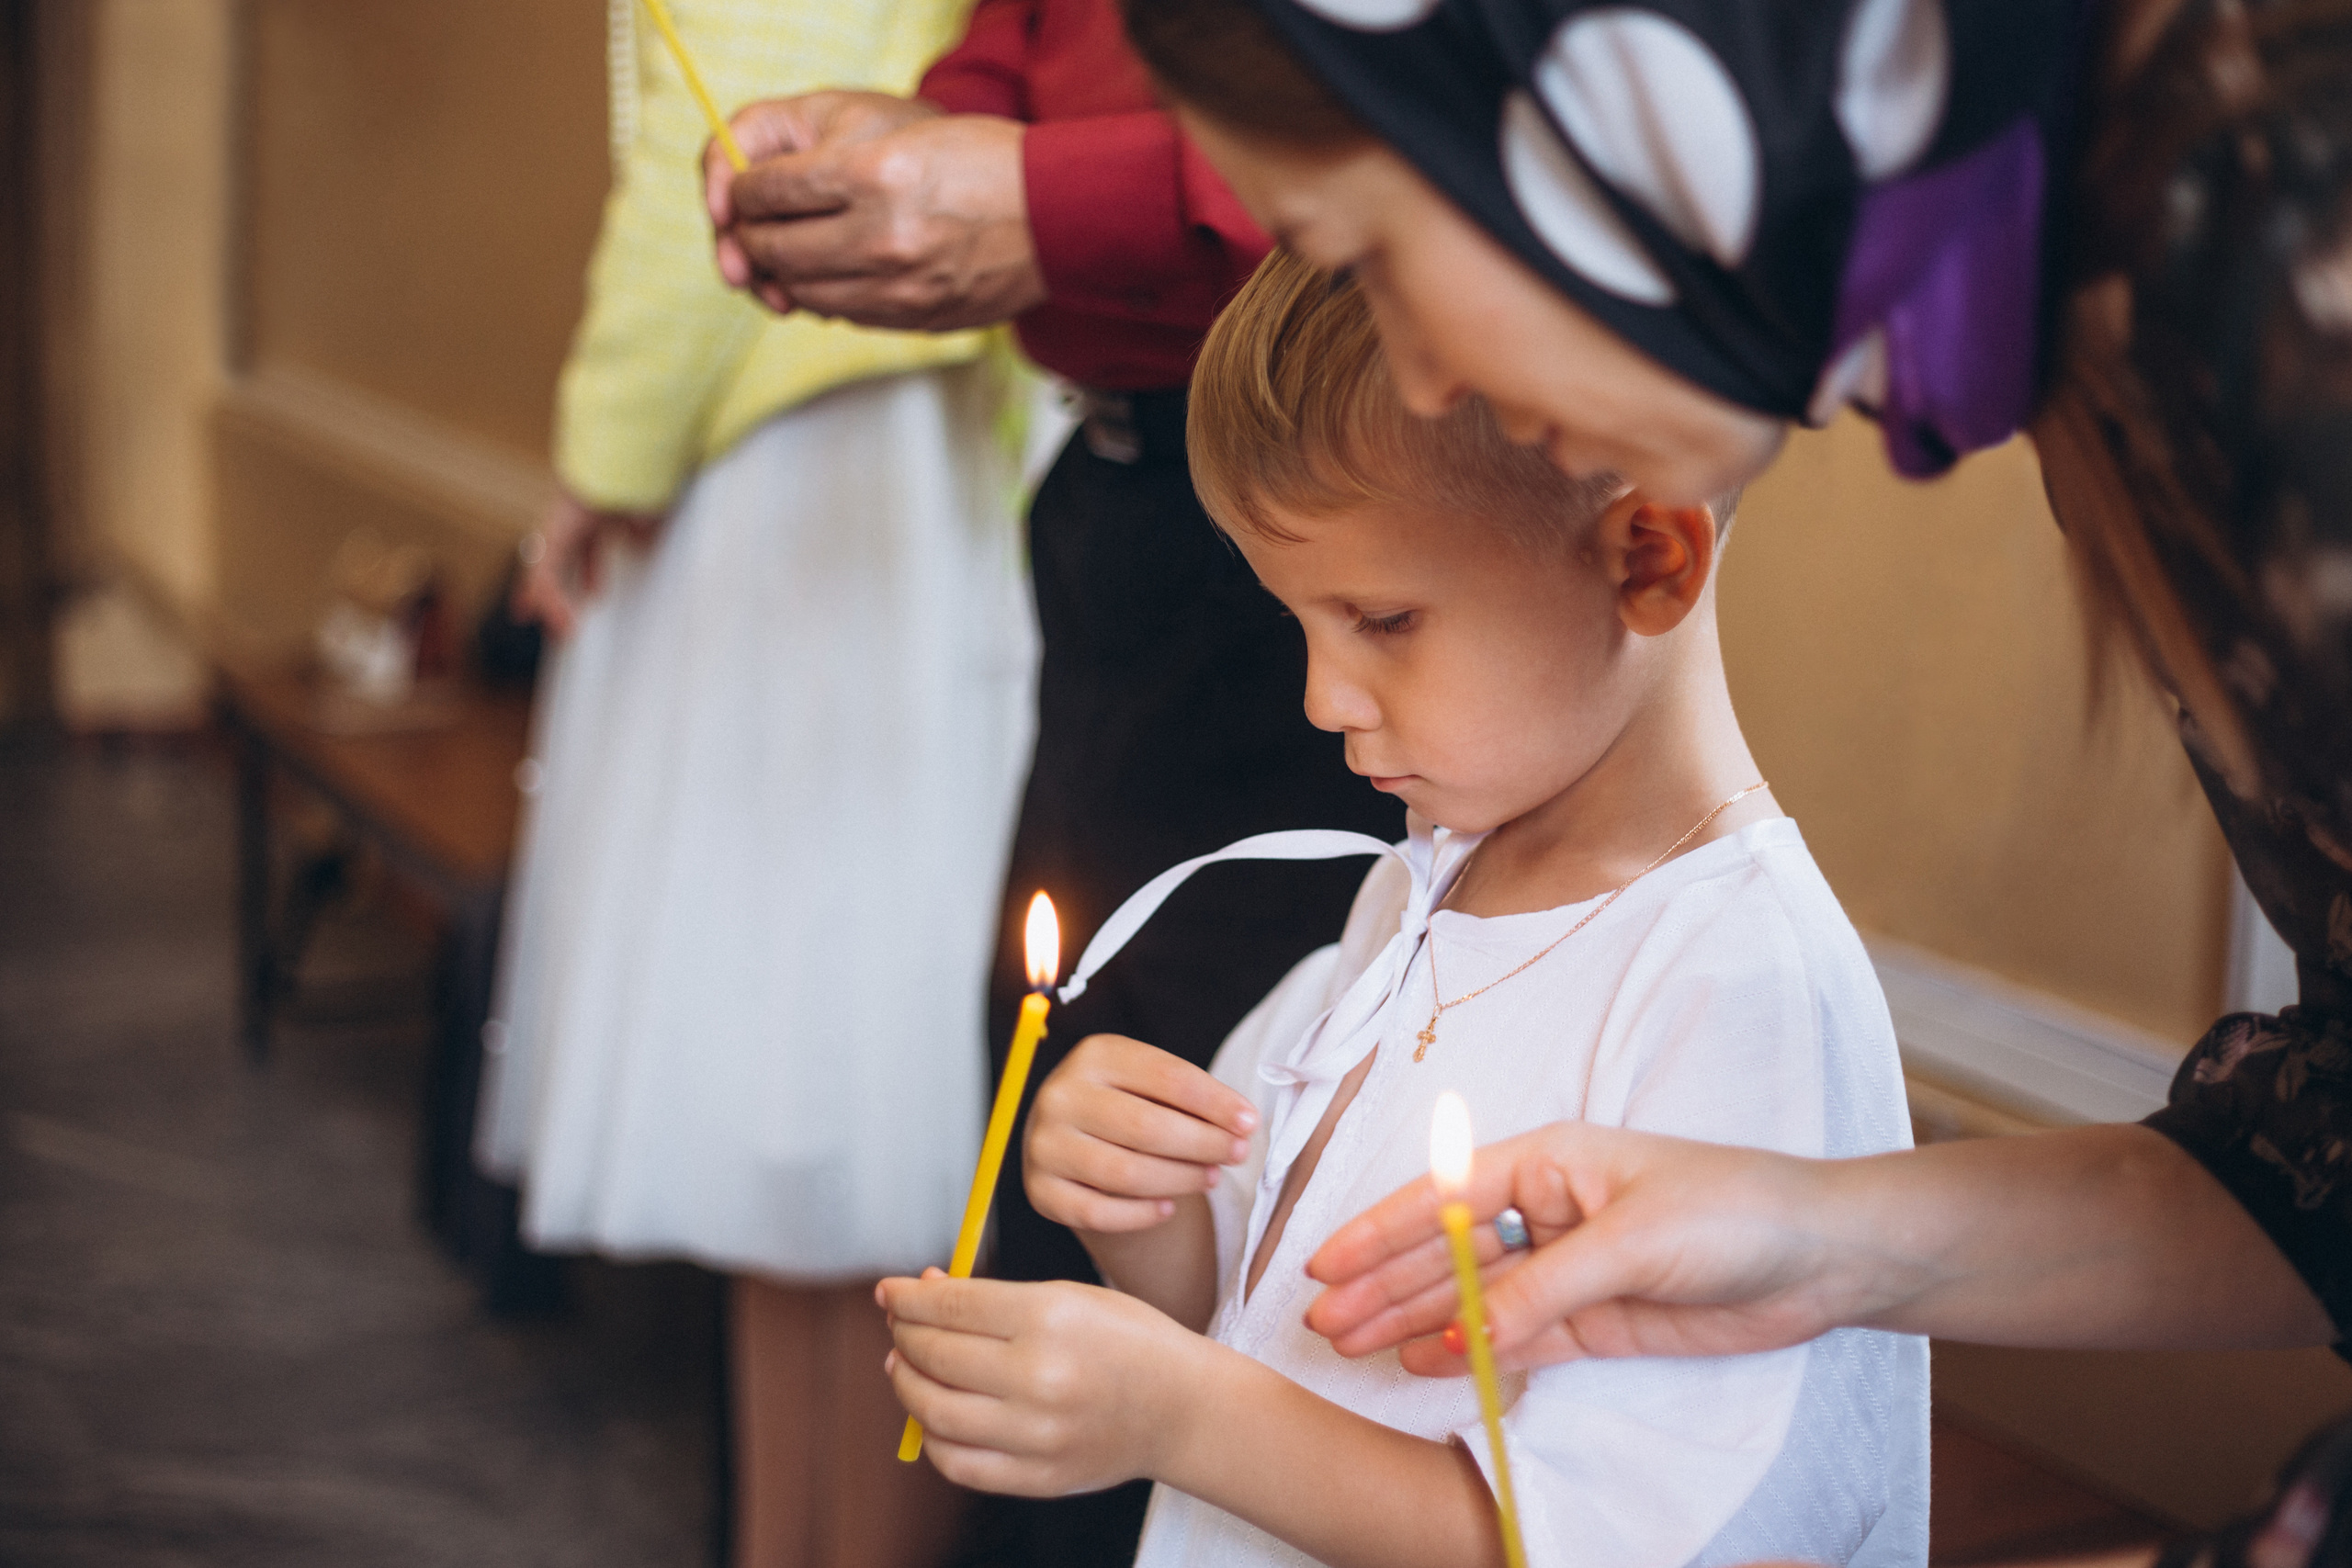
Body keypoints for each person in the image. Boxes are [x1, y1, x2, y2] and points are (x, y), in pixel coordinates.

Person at [1114, 0, 2352, 1562]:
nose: (1419, 373)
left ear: (1608, 100)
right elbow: (2332, 1166)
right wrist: (1803, 1228)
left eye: (1369, 250)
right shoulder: (2135, 315)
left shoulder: (2282, 299)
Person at [875, 249, 1928, 1568]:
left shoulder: (1740, 986)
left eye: (1382, 619)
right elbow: (1251, 1313)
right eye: (1300, 625)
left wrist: (1180, 1417)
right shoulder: (1416, 886)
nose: (1323, 699)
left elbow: (1620, 1541)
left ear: (1647, 558)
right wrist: (1139, 1211)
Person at [700, 9, 1407, 1564]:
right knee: (1069, 1082)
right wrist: (897, 143)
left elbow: (1431, 118)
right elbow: (1024, 47)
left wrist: (1041, 195)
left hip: (1351, 479)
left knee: (1263, 1130)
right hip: (1117, 499)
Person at [474, 4, 1036, 1564]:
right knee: (811, 1144)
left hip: (804, 479)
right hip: (881, 451)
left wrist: (602, 461)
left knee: (835, 1128)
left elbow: (718, 158)